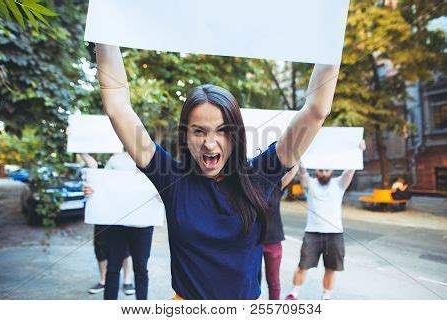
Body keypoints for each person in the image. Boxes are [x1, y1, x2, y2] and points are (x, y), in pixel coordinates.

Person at [95, 43, 339, 299]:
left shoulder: (259, 176)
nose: (210, 144)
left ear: (236, 135)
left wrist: (332, 37)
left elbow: (316, 110)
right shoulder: (172, 179)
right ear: (185, 135)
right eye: (198, 131)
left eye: (222, 131)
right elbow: (117, 107)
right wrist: (105, 33)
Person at [285, 140, 366, 300]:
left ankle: (326, 297)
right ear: (317, 170)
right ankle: (293, 294)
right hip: (312, 234)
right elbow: (301, 171)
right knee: (302, 266)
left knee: (331, 268)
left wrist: (359, 151)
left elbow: (350, 171)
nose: (323, 172)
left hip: (334, 234)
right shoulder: (310, 185)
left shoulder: (339, 184)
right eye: (321, 169)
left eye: (327, 169)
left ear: (331, 171)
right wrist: (298, 150)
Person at [78, 153, 136, 296]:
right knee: (100, 246)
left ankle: (127, 280)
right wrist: (79, 148)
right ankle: (103, 280)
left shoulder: (140, 157)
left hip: (126, 211)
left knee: (126, 249)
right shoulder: (112, 159)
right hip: (105, 211)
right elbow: (97, 174)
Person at [260, 164, 299, 300]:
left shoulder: (276, 187)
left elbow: (293, 170)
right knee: (252, 281)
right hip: (253, 242)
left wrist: (296, 151)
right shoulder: (249, 186)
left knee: (273, 281)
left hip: (273, 241)